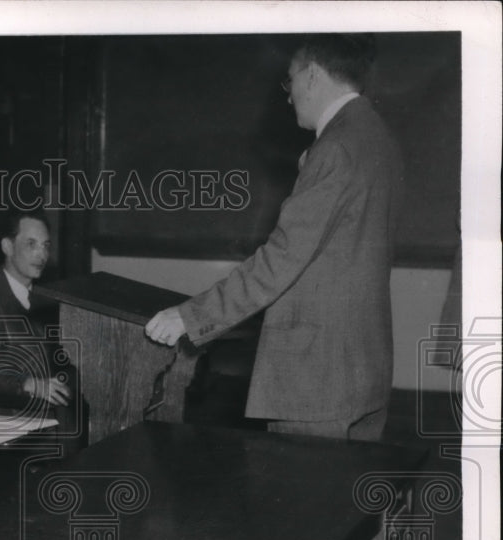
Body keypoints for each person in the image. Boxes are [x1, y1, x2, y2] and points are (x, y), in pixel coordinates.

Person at [144, 34, 403, 441]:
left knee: (302, 484)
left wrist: (190, 316)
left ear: (312, 76)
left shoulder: (335, 148)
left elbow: (281, 259)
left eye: (289, 80)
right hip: (362, 370)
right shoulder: (377, 137)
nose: (288, 95)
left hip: (316, 379)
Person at [0, 208, 83, 452]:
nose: (41, 254)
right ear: (7, 246)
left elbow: (58, 362)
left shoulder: (44, 299)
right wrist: (30, 384)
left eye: (46, 246)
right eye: (31, 244)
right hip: (10, 433)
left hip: (48, 423)